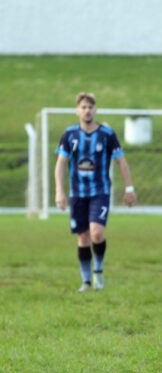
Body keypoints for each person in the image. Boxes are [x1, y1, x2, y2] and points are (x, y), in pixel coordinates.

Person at [54, 92, 137, 292]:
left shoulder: (107, 134)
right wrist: (59, 191)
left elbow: (121, 161)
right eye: (83, 107)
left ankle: (98, 271)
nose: (87, 110)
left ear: (95, 110)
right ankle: (85, 281)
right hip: (77, 194)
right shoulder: (69, 135)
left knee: (97, 233)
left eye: (90, 107)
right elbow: (61, 164)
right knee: (83, 237)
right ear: (77, 111)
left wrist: (129, 189)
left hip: (100, 191)